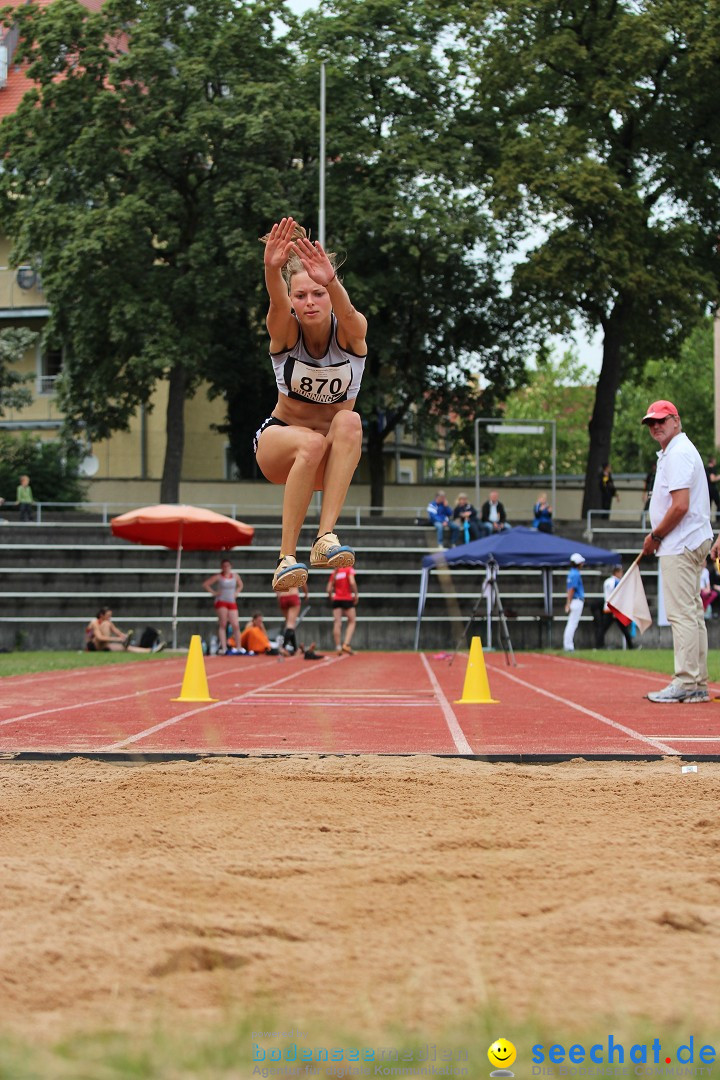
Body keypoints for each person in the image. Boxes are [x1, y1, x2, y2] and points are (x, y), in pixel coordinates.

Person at [255, 217, 367, 594]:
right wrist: (273, 271)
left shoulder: (350, 332)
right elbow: (275, 304)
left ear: (329, 294)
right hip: (280, 445)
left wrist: (332, 281)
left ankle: (325, 538)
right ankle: (286, 559)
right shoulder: (287, 331)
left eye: (317, 293)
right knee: (310, 441)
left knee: (349, 422)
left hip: (325, 462)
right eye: (300, 295)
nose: (309, 302)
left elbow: (350, 315)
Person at [642, 400, 713, 703]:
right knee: (692, 614)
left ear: (676, 420)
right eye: (651, 423)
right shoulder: (678, 451)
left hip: (679, 542)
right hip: (689, 539)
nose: (655, 426)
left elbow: (680, 505)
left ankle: (686, 681)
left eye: (661, 420)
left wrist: (656, 535)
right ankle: (696, 681)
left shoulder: (678, 453)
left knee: (681, 614)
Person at [203, 558, 243, 656]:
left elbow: (240, 585)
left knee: (235, 624)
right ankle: (224, 647)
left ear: (230, 566)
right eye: (224, 566)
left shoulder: (235, 576)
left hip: (231, 601)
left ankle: (239, 647)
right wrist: (215, 593)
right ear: (222, 567)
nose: (226, 568)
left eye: (227, 566)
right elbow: (206, 584)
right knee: (223, 624)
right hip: (222, 601)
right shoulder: (219, 576)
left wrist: (236, 593)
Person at [84, 607, 165, 653]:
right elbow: (99, 638)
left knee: (126, 648)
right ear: (101, 615)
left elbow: (116, 631)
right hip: (93, 646)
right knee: (106, 624)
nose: (109, 618)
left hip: (104, 646)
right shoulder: (94, 622)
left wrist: (124, 636)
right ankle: (124, 642)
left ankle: (151, 650)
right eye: (108, 616)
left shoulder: (108, 622)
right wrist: (118, 639)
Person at [593, 564, 636, 649]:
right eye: (621, 572)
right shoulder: (617, 582)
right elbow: (617, 596)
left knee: (603, 628)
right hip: (614, 609)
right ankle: (631, 646)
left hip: (607, 608)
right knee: (624, 629)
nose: (622, 574)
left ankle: (598, 645)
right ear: (616, 572)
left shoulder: (607, 581)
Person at [327, 565, 359, 655]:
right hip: (347, 599)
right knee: (352, 621)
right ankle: (346, 644)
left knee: (337, 623)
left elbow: (329, 589)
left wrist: (331, 597)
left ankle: (338, 647)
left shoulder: (335, 572)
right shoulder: (348, 569)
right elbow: (352, 582)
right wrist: (356, 594)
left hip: (337, 599)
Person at [277, 582, 309, 654]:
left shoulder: (279, 571)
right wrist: (306, 594)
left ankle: (295, 649)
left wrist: (279, 597)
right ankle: (283, 647)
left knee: (289, 623)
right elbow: (303, 584)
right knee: (290, 624)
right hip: (293, 596)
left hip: (282, 597)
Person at [563, 553, 585, 651]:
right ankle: (568, 645)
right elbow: (571, 589)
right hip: (576, 600)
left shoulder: (572, 573)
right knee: (572, 623)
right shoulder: (575, 574)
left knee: (571, 623)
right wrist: (568, 602)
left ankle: (568, 644)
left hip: (574, 601)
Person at [706, 456, 720, 522]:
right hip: (713, 489)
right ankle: (718, 520)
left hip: (707, 490)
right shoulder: (712, 469)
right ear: (712, 461)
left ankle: (708, 521)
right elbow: (712, 479)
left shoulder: (705, 469)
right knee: (718, 504)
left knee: (708, 506)